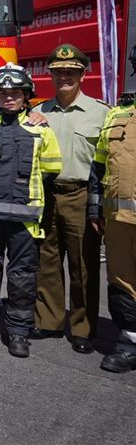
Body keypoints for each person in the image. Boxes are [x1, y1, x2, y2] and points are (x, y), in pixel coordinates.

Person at [0, 64, 62, 358]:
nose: (9, 98)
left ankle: (18, 331)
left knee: (22, 277)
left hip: (25, 221)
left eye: (15, 93)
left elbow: (51, 170)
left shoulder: (41, 131)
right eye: (3, 93)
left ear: (26, 95)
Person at [33, 44, 110, 354]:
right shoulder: (38, 112)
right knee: (47, 262)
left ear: (82, 74)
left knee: (83, 264)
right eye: (58, 72)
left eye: (71, 72)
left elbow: (106, 163)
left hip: (81, 195)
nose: (64, 76)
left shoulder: (101, 112)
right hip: (47, 194)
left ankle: (82, 327)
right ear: (51, 75)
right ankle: (49, 321)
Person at [88, 52, 136, 372]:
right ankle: (130, 341)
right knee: (122, 280)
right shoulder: (118, 115)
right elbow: (99, 165)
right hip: (119, 220)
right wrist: (95, 208)